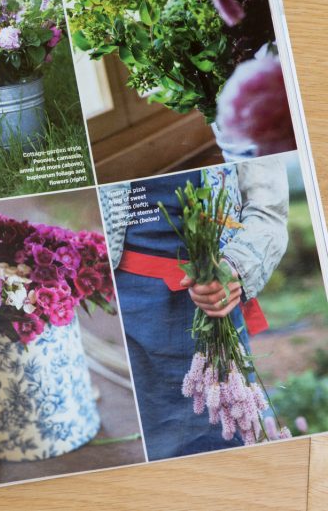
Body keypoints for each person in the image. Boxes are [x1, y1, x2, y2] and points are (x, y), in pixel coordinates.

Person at [101, 158, 289, 460]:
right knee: (146, 441)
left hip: (210, 295)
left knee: (223, 440)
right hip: (130, 302)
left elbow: (267, 208)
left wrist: (235, 266)